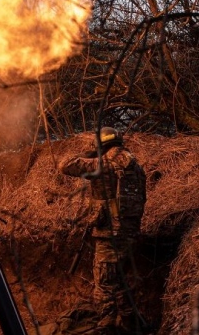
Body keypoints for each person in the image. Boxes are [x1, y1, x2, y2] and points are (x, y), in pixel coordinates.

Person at [59, 127, 147, 334]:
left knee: (105, 285)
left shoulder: (103, 164)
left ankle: (106, 327)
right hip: (129, 232)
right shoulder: (135, 165)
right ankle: (133, 326)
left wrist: (89, 152)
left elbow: (65, 165)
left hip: (110, 235)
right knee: (121, 283)